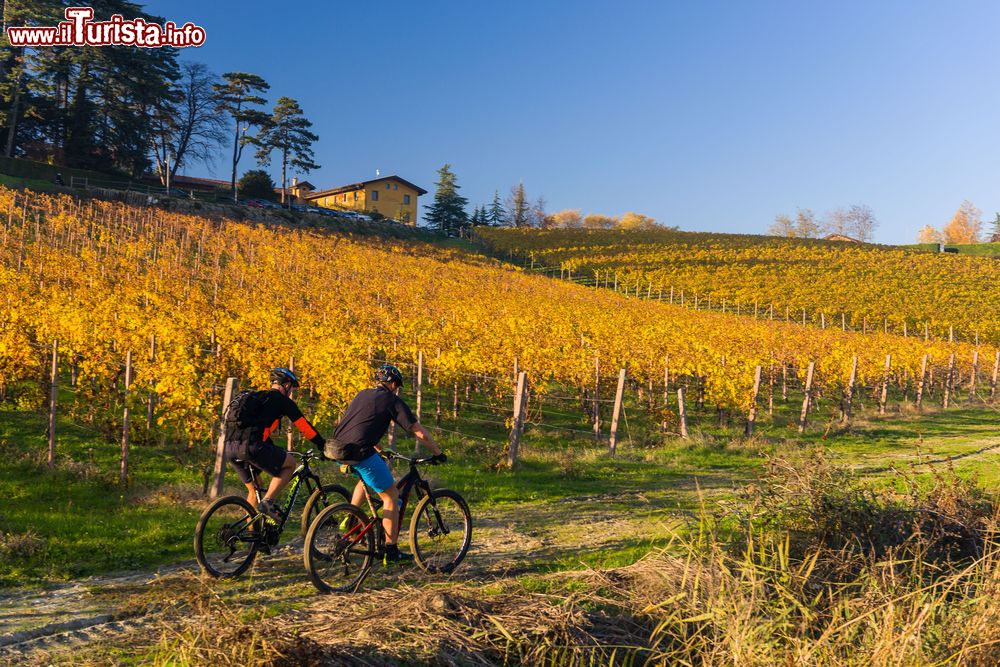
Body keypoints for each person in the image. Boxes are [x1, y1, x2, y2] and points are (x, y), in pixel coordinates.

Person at [326, 364, 445, 565]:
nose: (397, 389)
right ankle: (391, 551)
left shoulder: (363, 394)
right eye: (397, 385)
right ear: (392, 383)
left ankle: (352, 517)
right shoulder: (392, 400)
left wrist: (381, 451)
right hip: (359, 452)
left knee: (365, 477)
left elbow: (361, 426)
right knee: (391, 496)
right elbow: (419, 431)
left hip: (337, 449)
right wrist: (438, 453)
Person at [224, 367, 326, 521]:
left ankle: (253, 536)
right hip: (250, 447)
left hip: (230, 447)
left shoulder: (259, 398)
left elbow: (259, 430)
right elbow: (304, 426)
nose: (291, 392)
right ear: (286, 385)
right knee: (290, 464)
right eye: (291, 388)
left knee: (254, 490)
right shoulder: (282, 401)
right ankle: (268, 502)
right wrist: (321, 444)